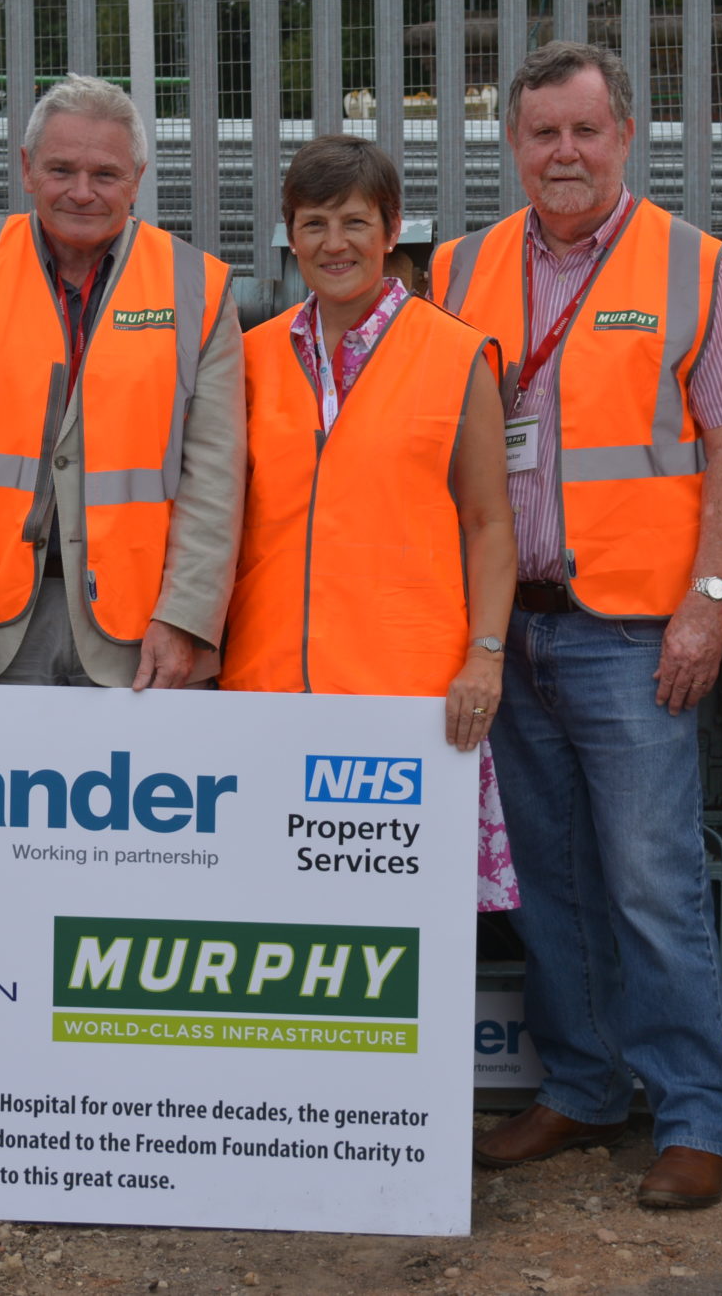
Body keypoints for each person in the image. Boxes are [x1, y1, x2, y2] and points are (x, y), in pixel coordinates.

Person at [437, 40, 722, 1208]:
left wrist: (706, 600)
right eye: (542, 133)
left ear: (625, 136)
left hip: (635, 632)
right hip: (508, 630)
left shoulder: (695, 267)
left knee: (650, 881)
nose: (565, 153)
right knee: (548, 880)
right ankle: (583, 1089)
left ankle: (696, 1113)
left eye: (586, 131)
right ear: (512, 145)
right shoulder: (458, 271)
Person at [220, 135, 519, 909]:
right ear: (291, 236)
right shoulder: (248, 359)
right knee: (276, 915)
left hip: (405, 705)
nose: (334, 243)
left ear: (392, 230)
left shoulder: (457, 354)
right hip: (267, 694)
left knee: (396, 927)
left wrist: (485, 655)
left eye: (355, 222)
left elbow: (489, 522)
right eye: (314, 222)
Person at [0, 74, 243, 690]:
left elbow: (215, 475)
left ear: (138, 179)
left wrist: (186, 619)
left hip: (146, 633)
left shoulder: (200, 286)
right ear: (26, 168)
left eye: (106, 175)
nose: (82, 192)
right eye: (61, 169)